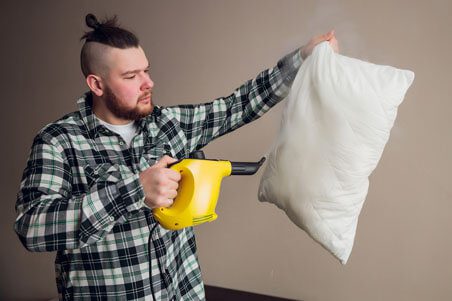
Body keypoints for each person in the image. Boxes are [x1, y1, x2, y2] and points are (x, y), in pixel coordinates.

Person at [14, 13, 338, 301]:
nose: (148, 83)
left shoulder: (170, 125)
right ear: (96, 84)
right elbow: (32, 226)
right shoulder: (59, 142)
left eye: (146, 70)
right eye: (131, 76)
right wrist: (135, 191)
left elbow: (240, 105)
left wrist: (302, 58)